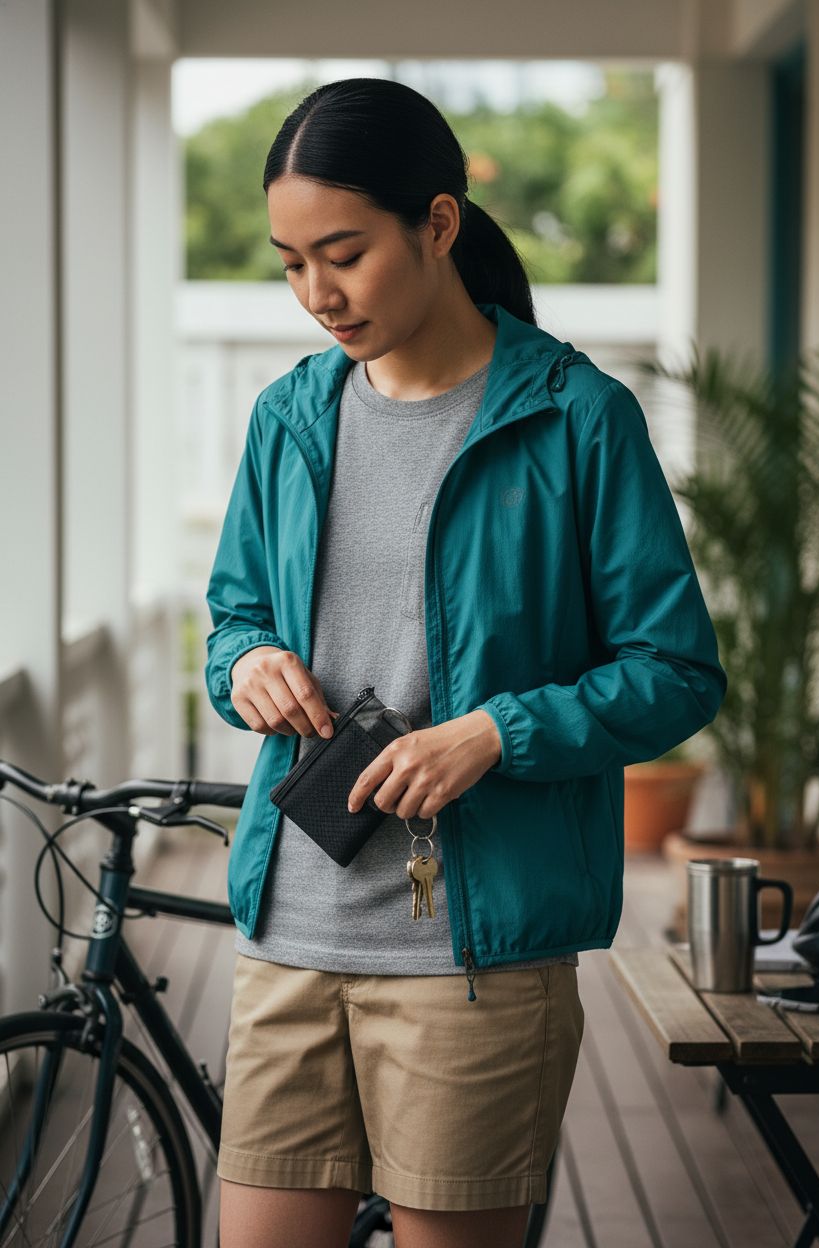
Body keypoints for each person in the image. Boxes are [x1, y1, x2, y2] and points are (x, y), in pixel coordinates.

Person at [204, 77, 727, 1248]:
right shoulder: (289, 417)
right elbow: (231, 618)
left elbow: (675, 670)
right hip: (288, 935)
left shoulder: (575, 418)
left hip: (472, 961)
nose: (316, 294)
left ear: (437, 223)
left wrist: (496, 733)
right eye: (290, 263)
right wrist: (243, 664)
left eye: (343, 252)